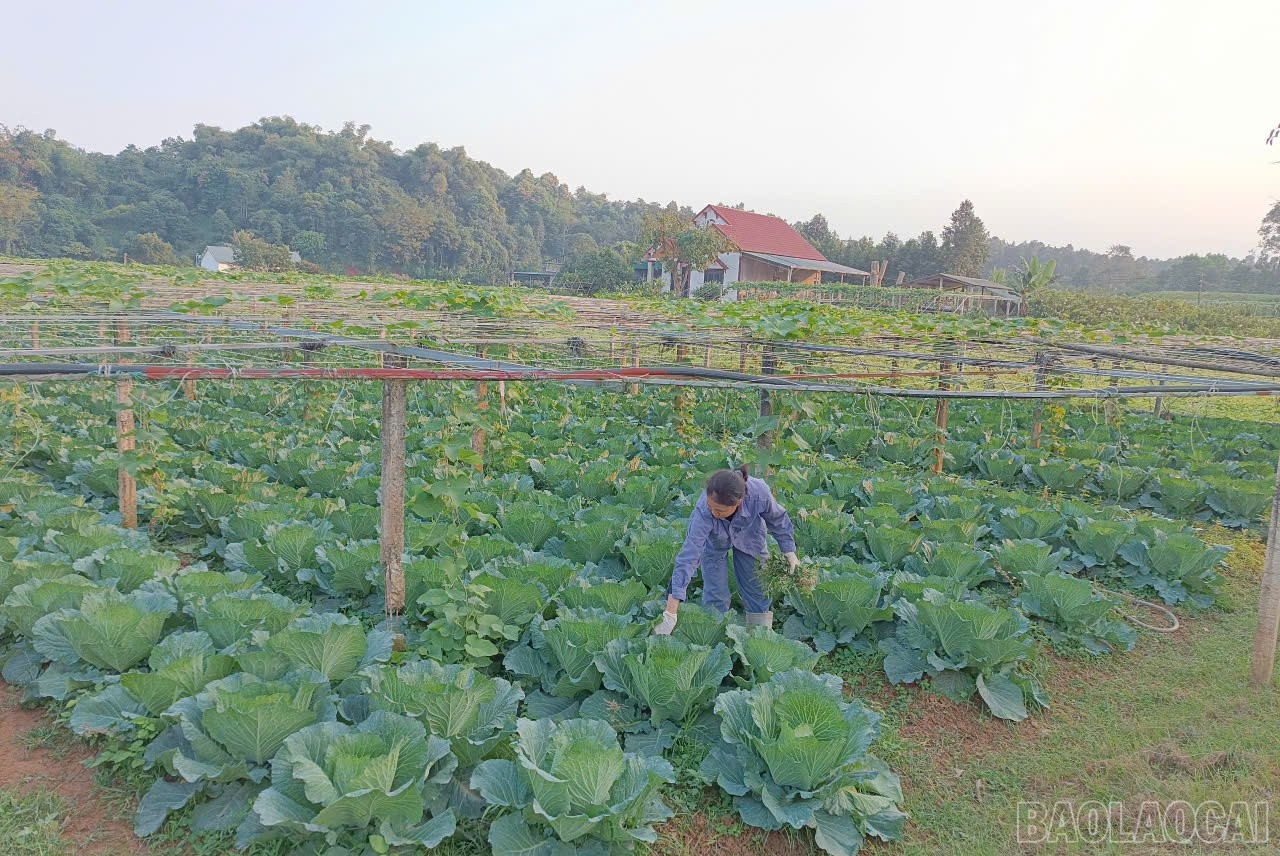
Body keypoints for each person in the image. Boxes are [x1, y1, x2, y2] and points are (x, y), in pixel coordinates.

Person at [653, 464, 797, 634]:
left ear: (738, 502)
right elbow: (688, 556)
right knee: (715, 592)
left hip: (750, 536)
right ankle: (716, 639)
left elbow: (778, 519)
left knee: (757, 587)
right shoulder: (704, 511)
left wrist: (789, 551)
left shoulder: (759, 494)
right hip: (714, 541)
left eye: (720, 510)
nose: (713, 512)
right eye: (711, 506)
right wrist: (671, 612)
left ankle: (759, 637)